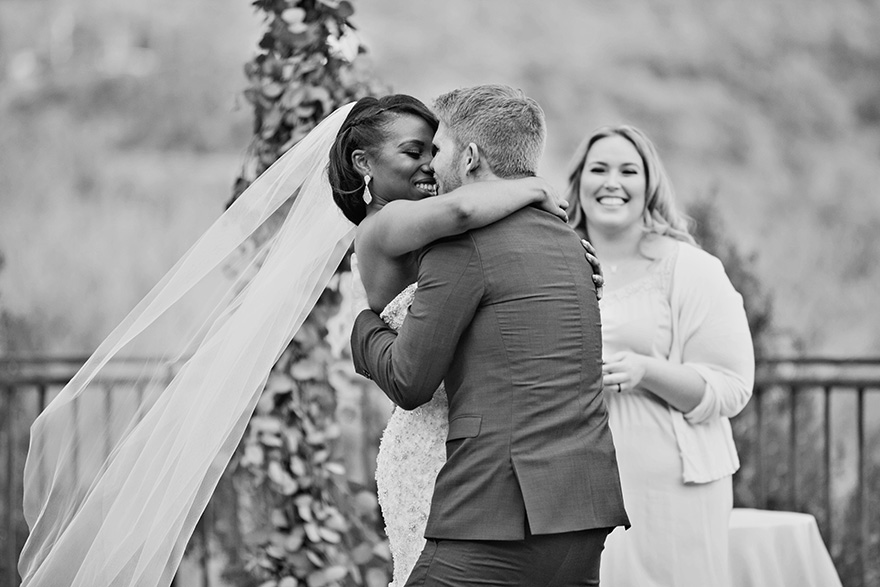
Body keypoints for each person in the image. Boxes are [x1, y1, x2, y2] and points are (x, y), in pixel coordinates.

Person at [17, 94, 594, 587]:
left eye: (431, 152)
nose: (426, 167)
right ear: (364, 164)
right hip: (435, 445)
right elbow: (467, 206)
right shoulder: (386, 226)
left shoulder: (442, 230)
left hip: (471, 446)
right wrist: (536, 192)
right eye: (414, 153)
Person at [350, 85, 630, 587]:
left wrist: (362, 329)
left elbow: (410, 381)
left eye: (438, 150)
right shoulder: (571, 243)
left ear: (471, 156)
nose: (432, 165)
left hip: (492, 509)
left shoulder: (458, 244)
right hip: (582, 507)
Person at [565, 124, 755, 587]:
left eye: (628, 170)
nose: (613, 182)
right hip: (572, 484)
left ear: (649, 185)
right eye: (599, 169)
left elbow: (732, 388)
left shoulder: (692, 269)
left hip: (672, 490)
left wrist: (645, 370)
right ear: (578, 183)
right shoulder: (550, 262)